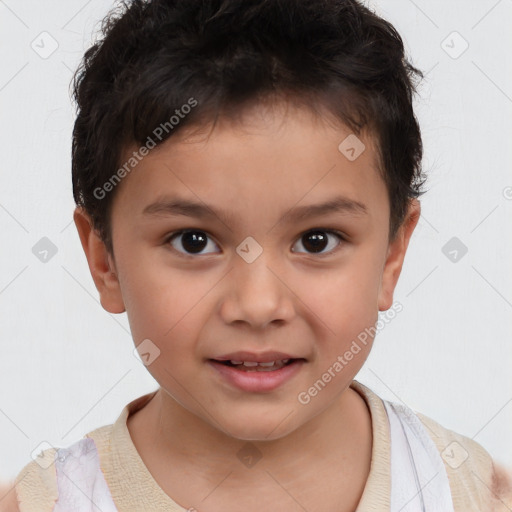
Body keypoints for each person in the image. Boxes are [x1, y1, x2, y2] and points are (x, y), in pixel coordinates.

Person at [6, 0, 512, 511]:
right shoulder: (39, 503)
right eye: (193, 241)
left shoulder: (474, 494)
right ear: (104, 261)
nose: (258, 304)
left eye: (317, 240)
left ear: (391, 255)